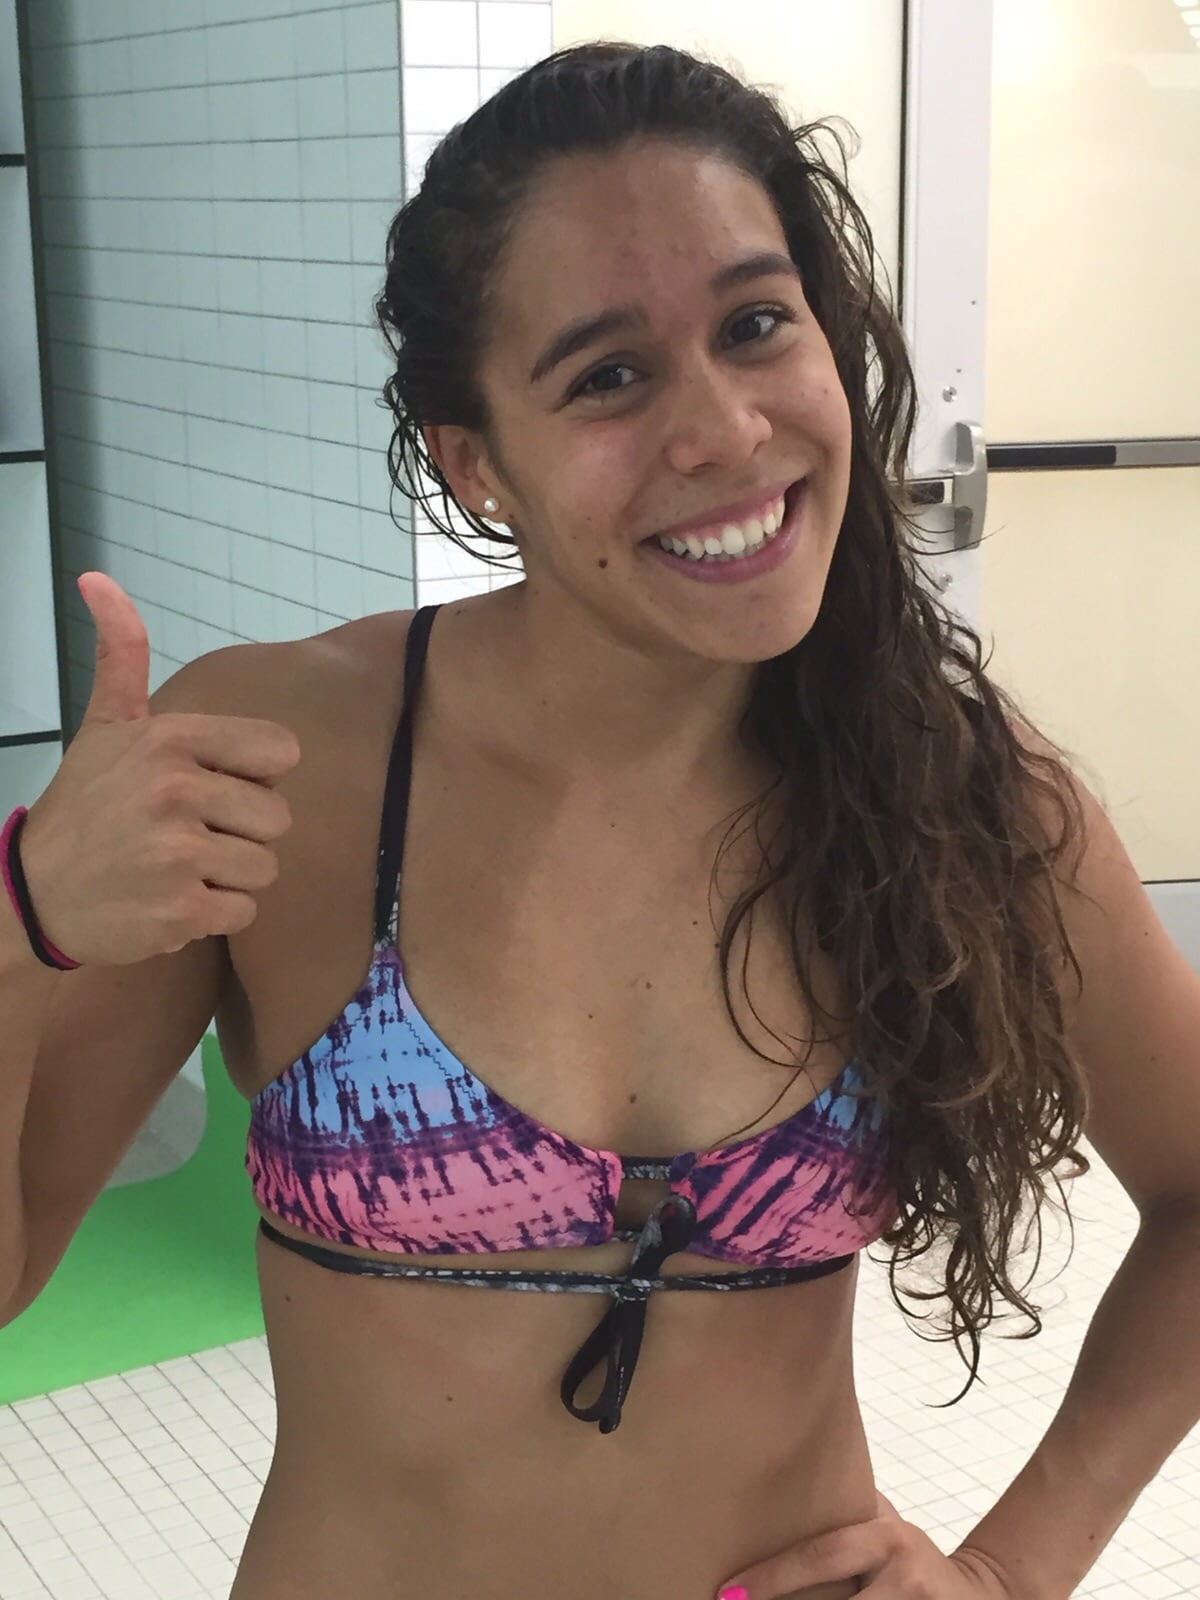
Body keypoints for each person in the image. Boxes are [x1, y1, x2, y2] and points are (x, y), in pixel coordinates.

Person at [3, 39, 1177, 1600]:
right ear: (475, 461)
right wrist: (23, 921)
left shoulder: (947, 787)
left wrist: (1013, 1571)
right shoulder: (283, 762)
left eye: (755, 324)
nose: (726, 431)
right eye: (610, 375)